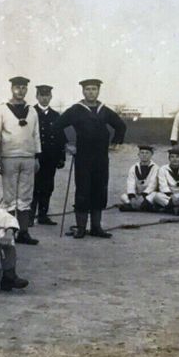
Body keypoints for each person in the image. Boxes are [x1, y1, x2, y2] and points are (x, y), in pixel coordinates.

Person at [53, 79, 126, 238]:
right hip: (83, 157)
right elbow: (57, 126)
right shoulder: (76, 110)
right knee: (83, 190)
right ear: (83, 91)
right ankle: (80, 227)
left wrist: (116, 143)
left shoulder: (104, 110)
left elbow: (121, 126)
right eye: (88, 89)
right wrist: (67, 145)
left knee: (100, 190)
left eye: (94, 89)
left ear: (98, 91)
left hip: (101, 157)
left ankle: (96, 227)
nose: (91, 92)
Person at [0, 76, 41, 244]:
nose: (20, 90)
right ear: (11, 88)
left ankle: (24, 232)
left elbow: (36, 135)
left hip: (28, 157)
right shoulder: (2, 109)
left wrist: (36, 156)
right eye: (17, 87)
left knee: (25, 196)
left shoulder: (32, 110)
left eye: (23, 87)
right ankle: (9, 232)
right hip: (9, 157)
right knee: (10, 197)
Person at [30, 84, 66, 225]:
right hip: (35, 156)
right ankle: (30, 216)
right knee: (34, 186)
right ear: (37, 96)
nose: (44, 99)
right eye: (42, 95)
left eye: (47, 96)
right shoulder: (31, 112)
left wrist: (61, 157)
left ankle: (43, 216)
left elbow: (60, 138)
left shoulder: (56, 115)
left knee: (48, 186)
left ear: (51, 97)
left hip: (51, 157)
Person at [119, 145, 158, 212]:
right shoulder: (133, 168)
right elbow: (130, 183)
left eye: (147, 153)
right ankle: (140, 206)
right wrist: (132, 197)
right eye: (142, 153)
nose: (144, 155)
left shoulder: (156, 168)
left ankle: (132, 207)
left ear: (151, 155)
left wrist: (143, 196)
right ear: (138, 154)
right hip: (138, 194)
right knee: (123, 197)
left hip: (149, 194)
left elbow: (153, 185)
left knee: (155, 196)